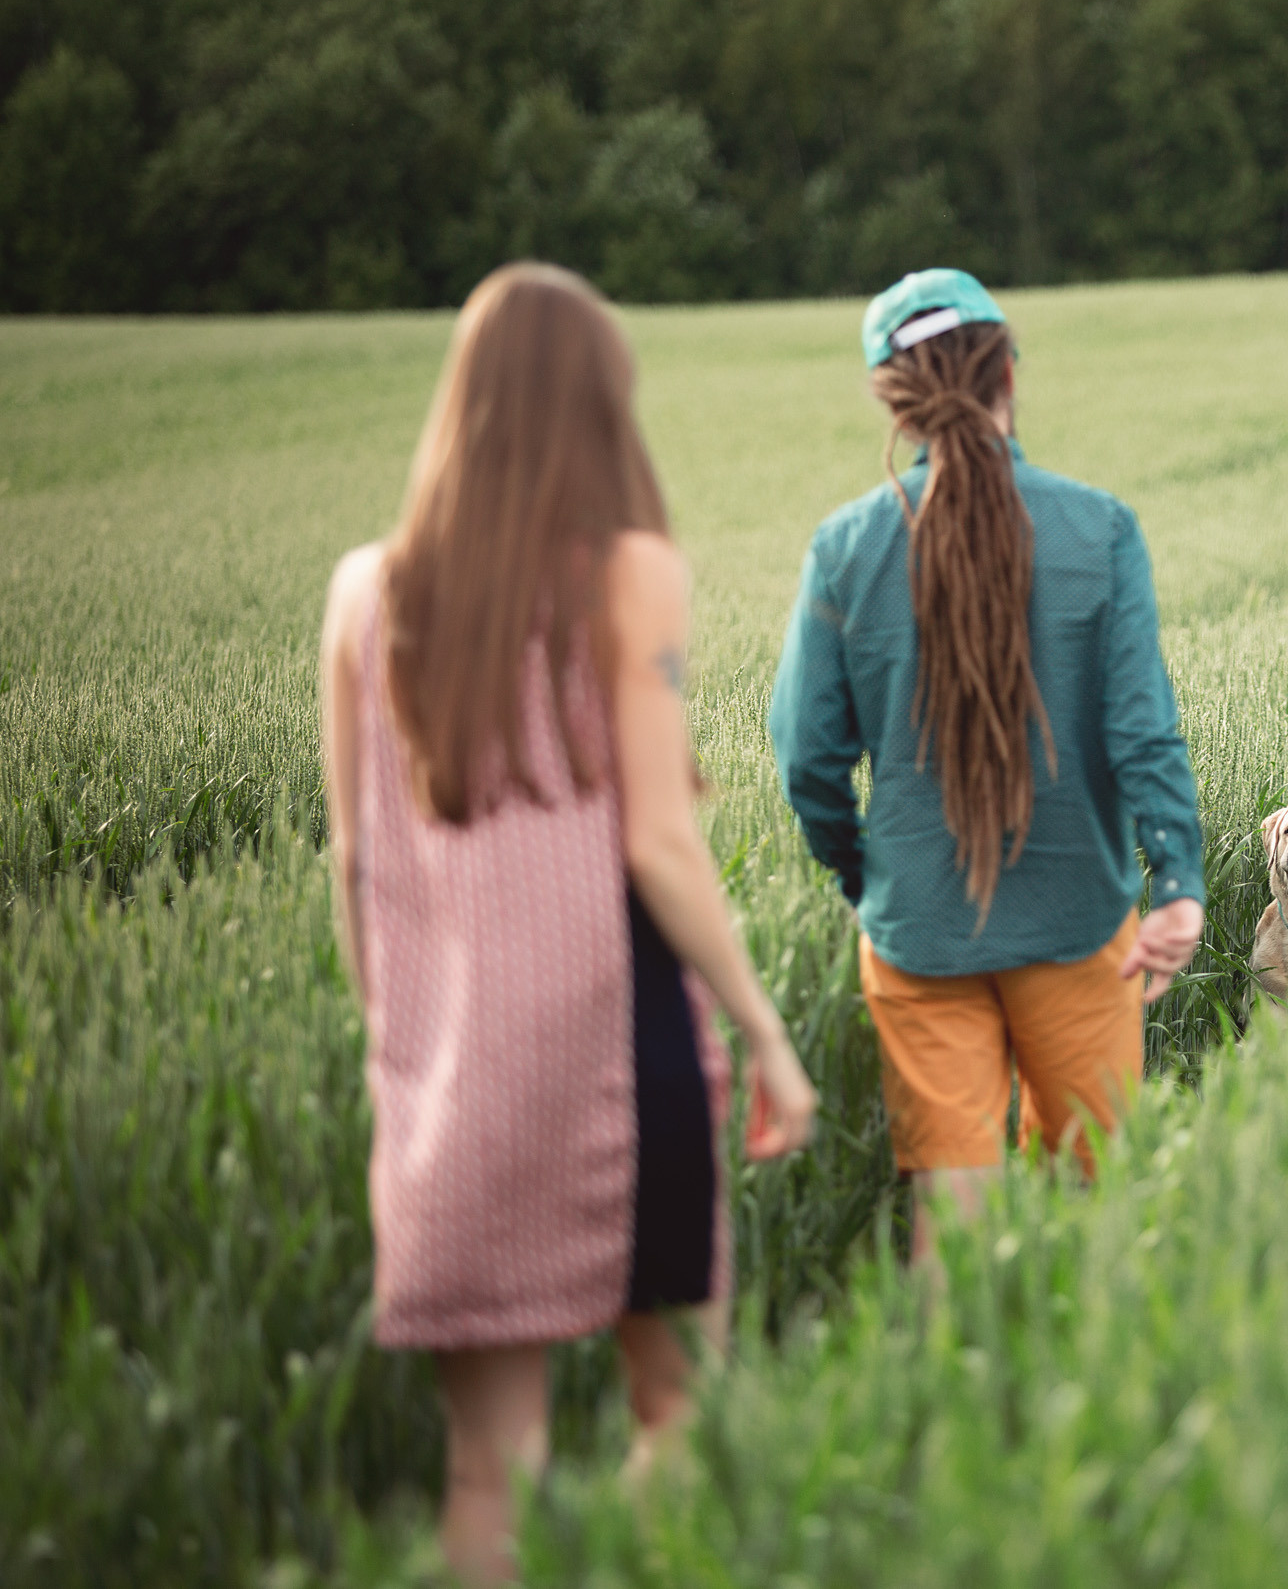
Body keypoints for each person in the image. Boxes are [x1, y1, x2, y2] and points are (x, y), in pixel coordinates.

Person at [317, 263, 819, 1585]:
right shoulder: (631, 572)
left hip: (448, 1072)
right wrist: (764, 1028)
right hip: (624, 1044)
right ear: (600, 405)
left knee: (487, 1468)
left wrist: (405, 1049)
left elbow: (360, 859)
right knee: (676, 1406)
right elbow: (658, 836)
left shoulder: (363, 594)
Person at [770, 268, 1204, 1264]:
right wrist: (1177, 883)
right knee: (1100, 1210)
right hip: (1077, 920)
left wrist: (865, 875)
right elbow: (1143, 731)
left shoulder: (843, 547)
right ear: (1008, 366)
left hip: (920, 928)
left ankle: (945, 1410)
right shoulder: (1100, 527)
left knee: (951, 1232)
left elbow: (808, 758)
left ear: (895, 397)